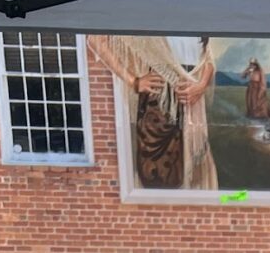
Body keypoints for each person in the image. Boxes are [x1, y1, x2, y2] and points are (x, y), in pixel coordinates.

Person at [91, 35, 218, 190]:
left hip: (193, 100)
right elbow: (95, 39)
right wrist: (134, 82)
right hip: (160, 103)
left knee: (195, 170)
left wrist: (202, 85)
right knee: (161, 176)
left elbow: (207, 56)